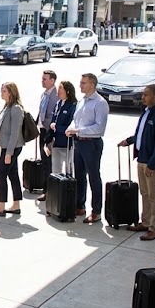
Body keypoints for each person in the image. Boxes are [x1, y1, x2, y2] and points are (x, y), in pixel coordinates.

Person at [118, 85, 155, 241]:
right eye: (143, 95)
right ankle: (146, 222)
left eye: (146, 95)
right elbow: (140, 135)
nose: (143, 97)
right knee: (145, 193)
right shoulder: (146, 113)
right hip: (142, 159)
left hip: (153, 163)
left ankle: (154, 228)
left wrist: (152, 165)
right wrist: (129, 141)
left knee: (154, 196)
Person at [66, 73, 109, 224]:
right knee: (79, 175)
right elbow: (76, 120)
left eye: (83, 83)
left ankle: (96, 211)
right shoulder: (82, 101)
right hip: (79, 143)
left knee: (93, 177)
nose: (80, 85)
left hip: (92, 144)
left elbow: (99, 127)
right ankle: (80, 205)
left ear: (92, 84)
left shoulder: (100, 103)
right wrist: (71, 128)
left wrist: (78, 131)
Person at [38, 80, 78, 202]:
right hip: (55, 143)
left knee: (69, 172)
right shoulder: (58, 104)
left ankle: (69, 198)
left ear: (67, 91)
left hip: (67, 143)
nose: (59, 91)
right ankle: (55, 197)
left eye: (61, 89)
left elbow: (71, 125)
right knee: (55, 171)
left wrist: (58, 128)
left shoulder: (73, 106)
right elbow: (53, 119)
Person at [0, 82, 25, 217]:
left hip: (11, 147)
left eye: (4, 91)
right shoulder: (7, 106)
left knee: (1, 174)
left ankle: (1, 206)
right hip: (6, 146)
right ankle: (16, 204)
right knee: (13, 174)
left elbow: (14, 133)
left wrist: (9, 153)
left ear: (11, 92)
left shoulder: (16, 109)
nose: (1, 93)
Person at [37, 70, 57, 165]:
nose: (42, 81)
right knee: (42, 156)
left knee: (48, 158)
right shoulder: (44, 94)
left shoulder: (56, 95)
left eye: (45, 79)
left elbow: (53, 115)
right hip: (42, 129)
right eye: (42, 79)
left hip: (50, 131)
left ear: (52, 81)